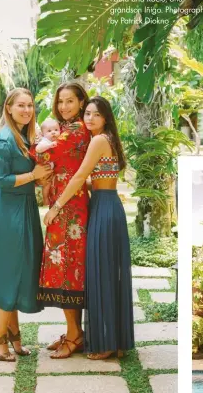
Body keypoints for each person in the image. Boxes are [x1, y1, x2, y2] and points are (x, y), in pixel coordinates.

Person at [44, 96, 135, 360]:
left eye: (96, 115)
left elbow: (81, 175)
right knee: (108, 274)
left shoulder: (97, 140)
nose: (90, 119)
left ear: (105, 118)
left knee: (102, 275)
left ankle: (105, 344)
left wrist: (56, 206)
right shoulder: (109, 139)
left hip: (104, 209)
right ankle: (113, 340)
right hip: (109, 206)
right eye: (88, 114)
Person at [0, 88, 52, 361]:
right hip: (7, 212)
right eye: (20, 105)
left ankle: (13, 334)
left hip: (23, 208)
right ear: (8, 108)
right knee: (9, 272)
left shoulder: (24, 136)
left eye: (30, 105)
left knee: (20, 270)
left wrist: (39, 178)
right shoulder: (4, 140)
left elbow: (23, 173)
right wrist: (32, 175)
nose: (26, 110)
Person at [36, 81, 91, 359]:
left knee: (69, 268)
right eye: (60, 102)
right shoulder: (67, 129)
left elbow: (43, 152)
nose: (64, 106)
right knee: (67, 267)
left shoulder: (77, 130)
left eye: (69, 101)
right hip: (65, 203)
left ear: (81, 102)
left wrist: (30, 143)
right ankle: (72, 332)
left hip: (69, 206)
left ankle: (74, 336)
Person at [31, 118, 60, 205]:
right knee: (46, 185)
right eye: (49, 131)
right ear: (43, 134)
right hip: (43, 169)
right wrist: (49, 145)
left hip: (49, 170)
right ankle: (45, 198)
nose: (53, 132)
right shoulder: (45, 141)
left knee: (48, 185)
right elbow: (38, 149)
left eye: (56, 130)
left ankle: (47, 198)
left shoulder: (56, 141)